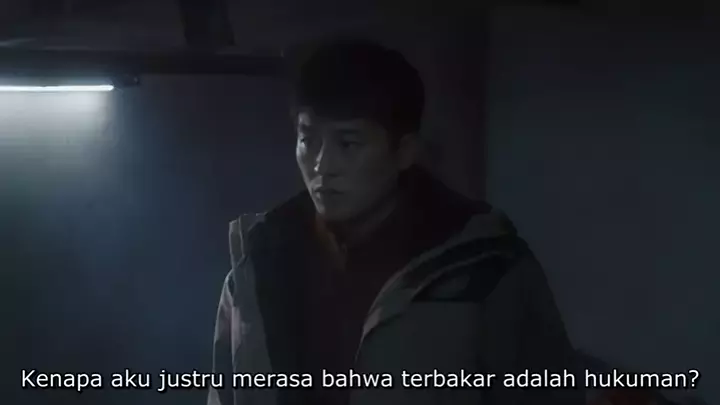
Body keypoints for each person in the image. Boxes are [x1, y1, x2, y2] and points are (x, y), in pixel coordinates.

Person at [207, 38, 584, 405]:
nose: (322, 165)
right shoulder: (258, 263)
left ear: (404, 151)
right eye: (308, 140)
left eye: (348, 144)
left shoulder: (484, 269)